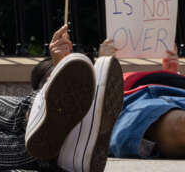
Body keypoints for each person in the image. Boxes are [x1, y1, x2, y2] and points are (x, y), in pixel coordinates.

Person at [32, 29, 185, 159]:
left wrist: (171, 75)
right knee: (179, 126)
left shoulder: (135, 77)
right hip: (129, 106)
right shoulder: (107, 99)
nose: (75, 70)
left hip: (172, 93)